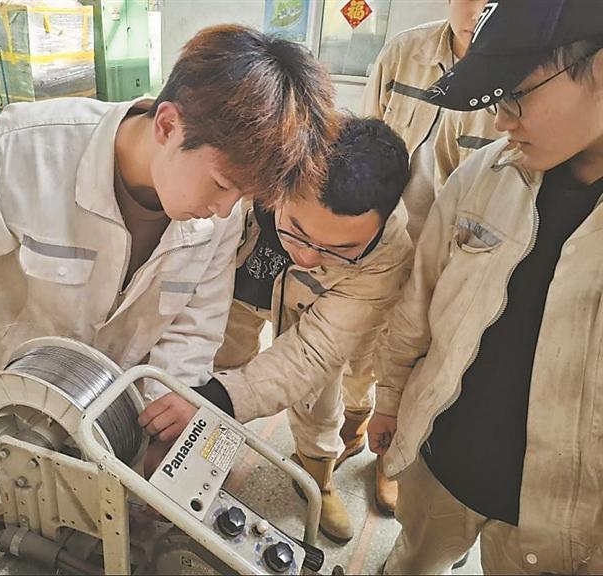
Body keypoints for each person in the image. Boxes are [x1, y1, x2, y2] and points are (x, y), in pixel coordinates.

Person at [0, 26, 339, 468]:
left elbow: (194, 327)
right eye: (221, 185)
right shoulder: (23, 151)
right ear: (167, 125)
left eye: (241, 196)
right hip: (0, 396)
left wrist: (161, 424)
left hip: (111, 417)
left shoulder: (217, 216)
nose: (223, 211)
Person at [368, 0, 603, 573]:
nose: (501, 122)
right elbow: (419, 302)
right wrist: (390, 400)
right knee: (413, 557)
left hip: (558, 516)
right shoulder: (486, 172)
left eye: (515, 97)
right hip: (443, 460)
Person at [139, 116, 413, 542]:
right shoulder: (253, 169)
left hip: (314, 314)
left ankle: (317, 476)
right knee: (215, 370)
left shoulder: (390, 254)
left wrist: (222, 399)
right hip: (236, 288)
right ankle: (202, 458)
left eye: (340, 249)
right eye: (297, 231)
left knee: (318, 401)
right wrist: (214, 397)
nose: (307, 257)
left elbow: (315, 352)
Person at [360, 0, 499, 515]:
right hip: (383, 247)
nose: (480, 8)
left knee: (424, 360)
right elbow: (364, 143)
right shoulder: (404, 53)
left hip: (453, 263)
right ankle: (350, 435)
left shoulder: (520, 76)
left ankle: (393, 456)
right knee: (362, 350)